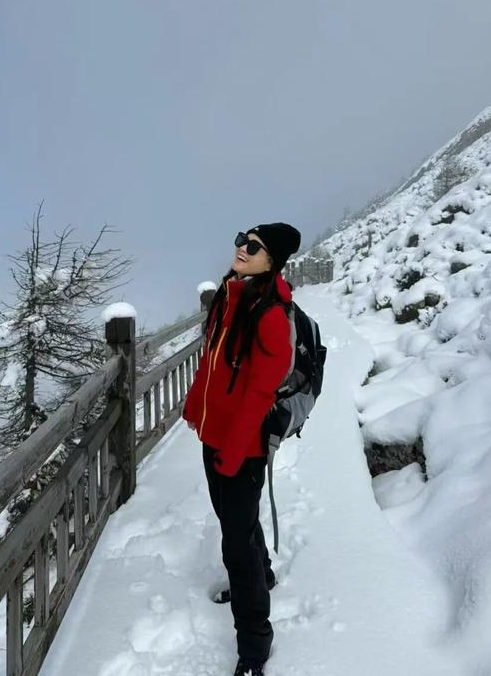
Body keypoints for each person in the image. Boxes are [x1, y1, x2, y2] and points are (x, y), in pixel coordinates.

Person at [182, 222, 301, 676]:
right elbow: (210, 359)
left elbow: (258, 394)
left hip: (242, 448)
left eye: (254, 247)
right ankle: (264, 573)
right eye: (240, 241)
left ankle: (254, 646)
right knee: (236, 521)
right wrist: (196, 409)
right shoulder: (229, 296)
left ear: (273, 261)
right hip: (216, 437)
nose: (241, 250)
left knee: (236, 545)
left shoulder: (269, 314)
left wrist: (233, 451)